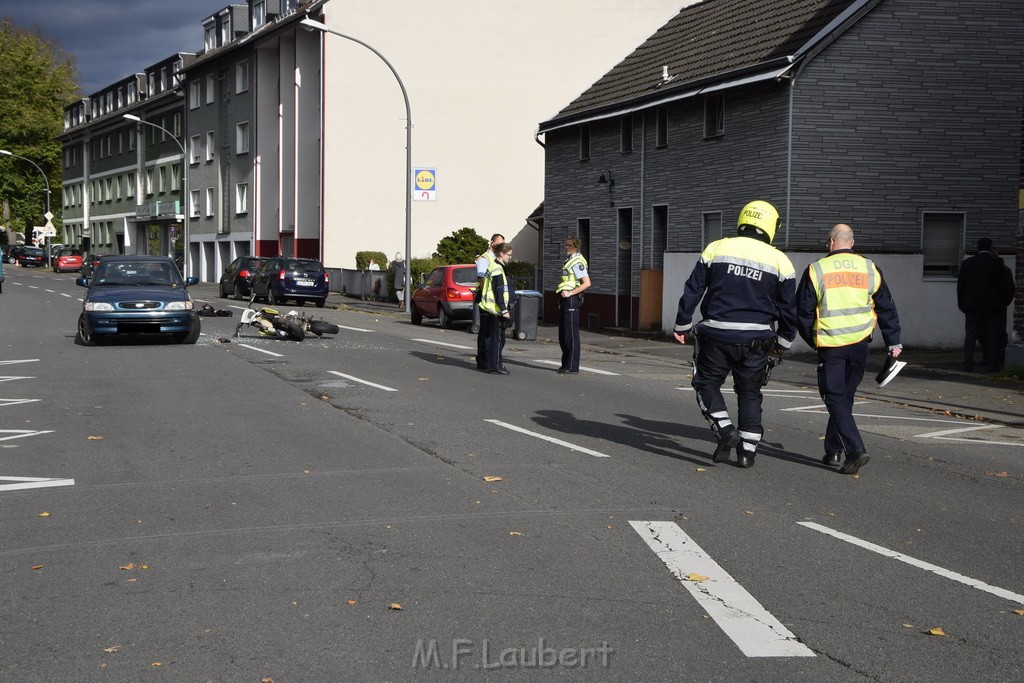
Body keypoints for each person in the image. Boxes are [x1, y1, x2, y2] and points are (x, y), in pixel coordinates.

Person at [673, 200, 797, 468]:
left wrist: (682, 324)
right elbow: (789, 308)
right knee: (750, 393)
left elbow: (693, 288)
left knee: (706, 383)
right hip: (757, 340)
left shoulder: (717, 247)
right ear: (770, 225)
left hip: (717, 335)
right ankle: (747, 453)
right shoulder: (781, 261)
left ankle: (724, 428)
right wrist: (785, 341)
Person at [797, 224, 902, 475]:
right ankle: (833, 450)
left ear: (831, 242)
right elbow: (886, 307)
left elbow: (802, 312)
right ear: (852, 242)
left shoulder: (817, 269)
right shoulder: (870, 268)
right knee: (844, 398)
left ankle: (855, 450)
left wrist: (813, 340)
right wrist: (893, 342)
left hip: (832, 346)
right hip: (859, 345)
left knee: (834, 397)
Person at [956, 238, 1015, 372]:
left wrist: (961, 303)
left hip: (971, 305)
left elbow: (961, 286)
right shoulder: (998, 263)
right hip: (992, 306)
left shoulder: (967, 263)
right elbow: (1002, 285)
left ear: (978, 248)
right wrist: (1003, 302)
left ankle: (968, 364)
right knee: (993, 334)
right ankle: (993, 365)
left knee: (971, 334)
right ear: (990, 247)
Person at [556, 236, 591, 374]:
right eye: (565, 245)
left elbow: (587, 283)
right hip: (565, 298)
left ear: (576, 247)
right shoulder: (569, 260)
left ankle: (572, 366)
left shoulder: (577, 261)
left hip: (572, 299)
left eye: (569, 245)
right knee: (564, 333)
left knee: (571, 333)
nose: (566, 248)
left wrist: (570, 293)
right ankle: (566, 364)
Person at [478, 243, 514, 374]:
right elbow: (499, 290)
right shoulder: (498, 269)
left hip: (488, 307)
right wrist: (504, 309)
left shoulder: (492, 265)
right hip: (496, 309)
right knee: (498, 339)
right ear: (501, 254)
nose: (510, 257)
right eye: (508, 255)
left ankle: (489, 364)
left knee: (491, 338)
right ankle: (495, 366)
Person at [475, 233, 505, 370]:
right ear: (492, 243)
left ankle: (488, 360)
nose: (501, 246)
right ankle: (483, 360)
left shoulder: (497, 259)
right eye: (498, 243)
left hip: (493, 301)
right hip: (486, 300)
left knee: (491, 333)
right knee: (486, 333)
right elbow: (481, 277)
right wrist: (485, 294)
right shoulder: (485, 259)